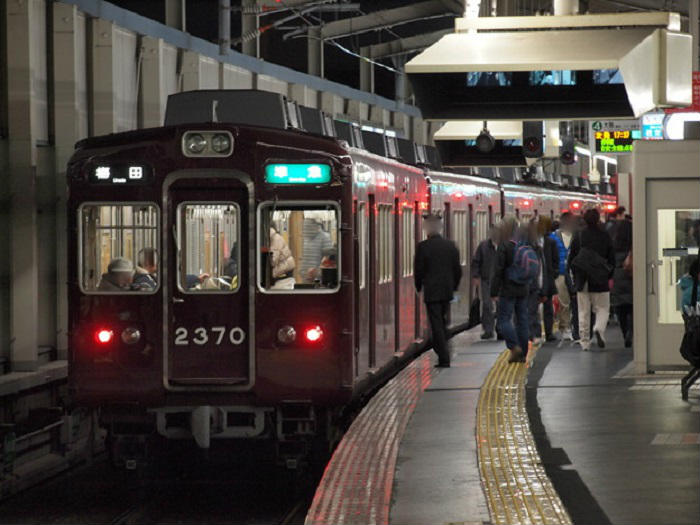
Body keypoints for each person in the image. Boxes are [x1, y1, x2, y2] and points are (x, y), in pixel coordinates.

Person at [414, 214, 462, 368]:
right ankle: (444, 349)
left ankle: (444, 357)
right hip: (446, 292)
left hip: (432, 292)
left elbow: (419, 270)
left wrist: (419, 287)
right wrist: (453, 287)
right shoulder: (450, 246)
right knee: (442, 321)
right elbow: (457, 270)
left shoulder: (423, 247)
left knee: (436, 324)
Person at [568, 208, 615, 351]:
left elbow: (572, 259)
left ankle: (584, 342)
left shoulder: (579, 235)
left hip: (583, 279)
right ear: (598, 219)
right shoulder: (605, 236)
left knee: (583, 311)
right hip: (600, 278)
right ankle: (599, 329)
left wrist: (575, 276)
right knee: (602, 308)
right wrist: (609, 275)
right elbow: (611, 258)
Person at [491, 216, 531, 363]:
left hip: (508, 289)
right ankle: (523, 352)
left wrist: (494, 292)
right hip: (523, 287)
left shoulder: (505, 246)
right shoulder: (523, 243)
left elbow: (498, 270)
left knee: (504, 320)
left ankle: (515, 347)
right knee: (522, 320)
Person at [550, 212, 576, 341]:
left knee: (572, 301)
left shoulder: (577, 236)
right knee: (563, 301)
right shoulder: (554, 237)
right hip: (560, 273)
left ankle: (569, 326)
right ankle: (565, 326)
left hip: (573, 272)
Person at [471, 225, 499, 339]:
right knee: (487, 305)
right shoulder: (483, 246)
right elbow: (476, 261)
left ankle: (500, 329)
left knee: (501, 306)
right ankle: (488, 330)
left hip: (500, 281)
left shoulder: (504, 246)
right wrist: (476, 276)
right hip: (486, 280)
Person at [611, 218, 633, 347]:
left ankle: (625, 332)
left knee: (621, 309)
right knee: (632, 308)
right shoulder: (634, 246)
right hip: (631, 277)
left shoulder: (614, 245)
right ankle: (631, 331)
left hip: (617, 278)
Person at [539, 216, 560, 342]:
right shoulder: (551, 242)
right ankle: (547, 333)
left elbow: (555, 261)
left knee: (537, 307)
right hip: (545, 278)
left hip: (542, 278)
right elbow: (556, 260)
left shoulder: (548, 242)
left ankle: (542, 332)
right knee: (547, 307)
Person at [526, 220, 547, 344]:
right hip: (534, 284)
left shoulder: (517, 245)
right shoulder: (537, 248)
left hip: (523, 284)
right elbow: (541, 269)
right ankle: (535, 334)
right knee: (533, 311)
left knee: (526, 311)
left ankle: (529, 335)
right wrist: (542, 288)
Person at [300, 218, 333, 283]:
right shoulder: (305, 238)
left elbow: (328, 258)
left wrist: (317, 272)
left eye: (308, 227)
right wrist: (302, 271)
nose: (306, 229)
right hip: (305, 277)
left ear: (315, 226)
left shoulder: (325, 237)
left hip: (319, 278)